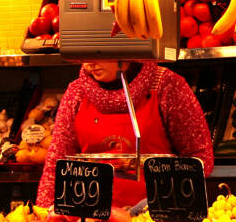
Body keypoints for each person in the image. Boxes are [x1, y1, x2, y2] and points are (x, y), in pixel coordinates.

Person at [36, 60, 214, 208]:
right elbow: (57, 162)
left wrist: (162, 202)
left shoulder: (167, 85)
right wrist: (44, 215)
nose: (90, 62)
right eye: (83, 54)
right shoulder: (76, 92)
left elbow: (199, 155)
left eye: (99, 50)